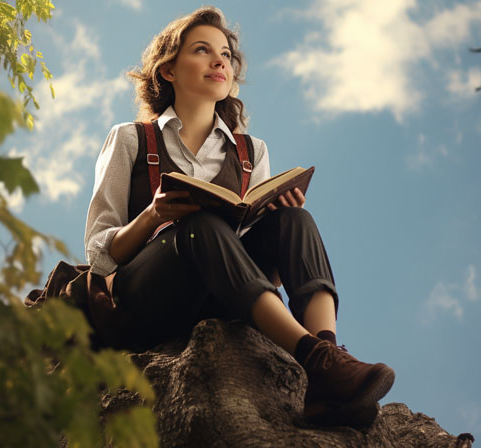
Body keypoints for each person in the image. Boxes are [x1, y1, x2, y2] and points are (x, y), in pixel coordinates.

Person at [83, 6, 394, 429]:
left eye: (226, 55)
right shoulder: (129, 139)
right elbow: (101, 253)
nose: (219, 61)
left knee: (295, 221)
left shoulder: (252, 152)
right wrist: (153, 214)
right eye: (202, 50)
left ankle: (327, 358)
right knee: (201, 226)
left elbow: (258, 276)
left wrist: (276, 219)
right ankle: (314, 360)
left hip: (223, 295)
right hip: (147, 298)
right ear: (169, 70)